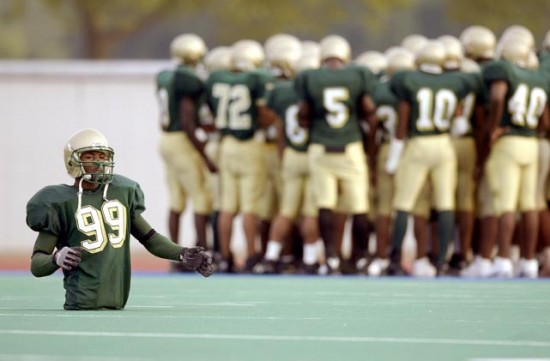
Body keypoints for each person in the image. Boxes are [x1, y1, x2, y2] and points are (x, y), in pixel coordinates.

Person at [28, 128, 213, 310]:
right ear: (73, 161)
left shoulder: (122, 192)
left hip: (117, 303)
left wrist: (183, 254)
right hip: (80, 302)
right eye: (90, 157)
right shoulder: (60, 202)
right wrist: (56, 258)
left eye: (102, 156)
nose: (99, 163)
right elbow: (36, 264)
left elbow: (151, 239)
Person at [385, 41, 470, 275]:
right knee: (445, 203)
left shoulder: (409, 81)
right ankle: (442, 261)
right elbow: (460, 124)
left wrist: (394, 156)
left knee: (403, 202)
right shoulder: (453, 83)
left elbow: (403, 122)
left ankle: (394, 260)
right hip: (443, 143)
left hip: (418, 143)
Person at [295, 35, 378, 274]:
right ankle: (363, 257)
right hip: (350, 147)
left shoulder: (310, 77)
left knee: (325, 206)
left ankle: (330, 255)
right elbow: (369, 111)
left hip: (321, 148)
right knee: (359, 207)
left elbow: (303, 114)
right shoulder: (358, 75)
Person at [156, 33, 216, 271]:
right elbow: (188, 121)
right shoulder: (187, 79)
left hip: (166, 140)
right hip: (182, 141)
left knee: (176, 200)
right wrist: (205, 155)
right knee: (201, 197)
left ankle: (175, 256)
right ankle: (201, 254)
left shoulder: (164, 76)